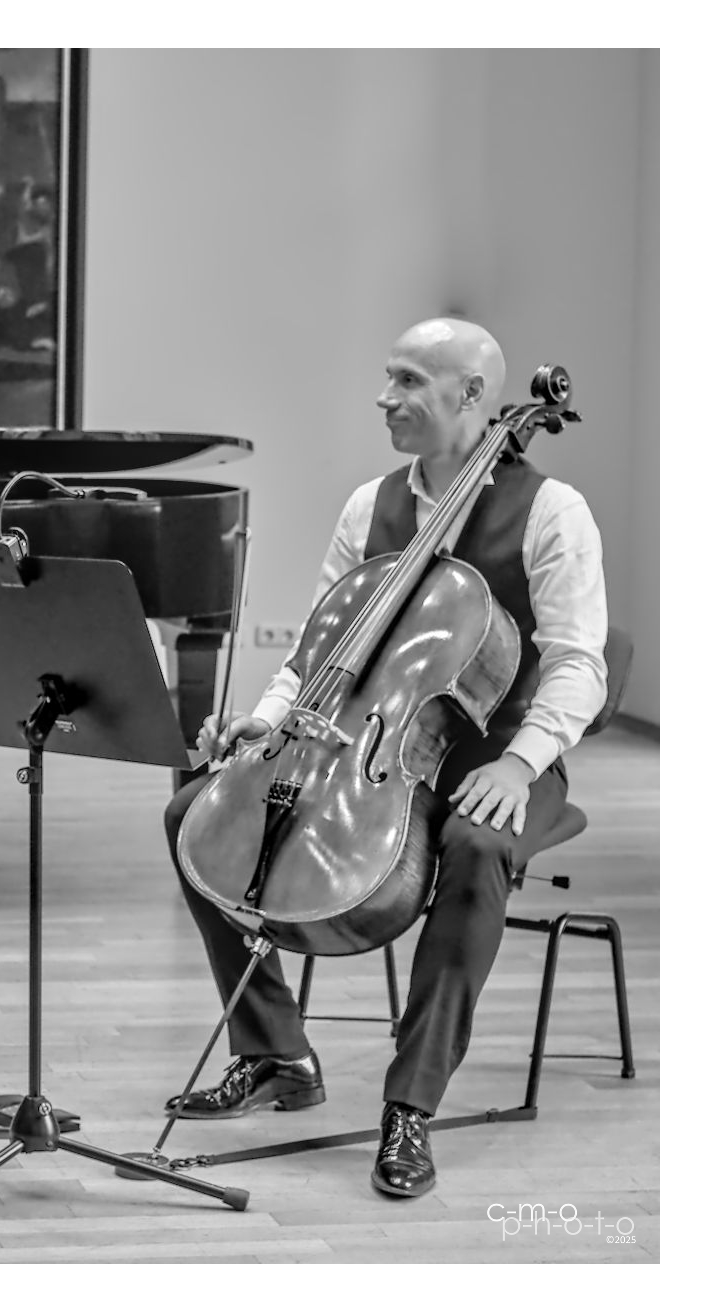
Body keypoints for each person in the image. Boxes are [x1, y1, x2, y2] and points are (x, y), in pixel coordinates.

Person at [162, 318, 608, 1199]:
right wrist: (267, 723)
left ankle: (410, 1105)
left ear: (473, 397)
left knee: (476, 846)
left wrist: (520, 764)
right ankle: (275, 1050)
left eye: (408, 380)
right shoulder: (371, 505)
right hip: (363, 752)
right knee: (194, 816)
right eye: (389, 378)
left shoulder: (554, 512)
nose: (385, 397)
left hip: (500, 755)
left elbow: (580, 662)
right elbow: (317, 651)